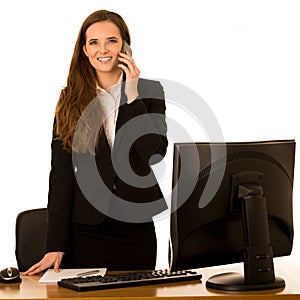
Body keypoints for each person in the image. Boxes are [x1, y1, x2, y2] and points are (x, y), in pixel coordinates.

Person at [24, 9, 168, 275]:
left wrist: (133, 96)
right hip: (86, 231)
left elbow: (154, 153)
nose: (104, 49)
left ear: (125, 46)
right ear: (85, 50)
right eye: (94, 42)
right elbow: (61, 176)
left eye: (111, 41)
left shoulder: (149, 92)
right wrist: (55, 245)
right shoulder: (70, 99)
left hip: (135, 228)